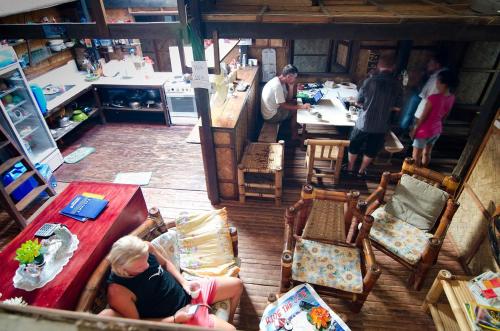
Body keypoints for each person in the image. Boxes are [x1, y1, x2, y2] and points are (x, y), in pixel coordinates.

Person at [99, 235, 243, 330]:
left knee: (237, 285)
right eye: (140, 267)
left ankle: (228, 319)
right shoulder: (118, 291)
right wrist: (174, 319)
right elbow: (139, 324)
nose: (147, 266)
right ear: (123, 268)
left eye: (146, 259)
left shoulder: (145, 248)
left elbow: (166, 264)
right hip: (179, 316)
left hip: (188, 293)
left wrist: (184, 282)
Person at [347, 55, 403, 178]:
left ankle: (350, 169)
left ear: (378, 66)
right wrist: (385, 107)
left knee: (354, 144)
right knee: (372, 149)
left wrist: (370, 105)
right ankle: (361, 171)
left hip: (364, 122)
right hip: (382, 125)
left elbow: (358, 102)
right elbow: (398, 108)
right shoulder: (397, 85)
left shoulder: (370, 81)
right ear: (393, 68)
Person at [410, 70, 458, 167]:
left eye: (438, 80)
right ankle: (422, 172)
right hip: (436, 130)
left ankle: (413, 175)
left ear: (443, 84)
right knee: (427, 153)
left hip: (424, 130)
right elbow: (445, 115)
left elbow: (423, 116)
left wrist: (415, 130)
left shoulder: (433, 98)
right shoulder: (452, 98)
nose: (436, 83)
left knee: (416, 156)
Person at [261, 64, 311, 141]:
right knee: (297, 110)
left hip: (273, 110)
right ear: (288, 77)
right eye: (294, 77)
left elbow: (288, 100)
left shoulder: (280, 81)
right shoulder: (277, 86)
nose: (295, 79)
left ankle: (294, 124)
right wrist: (302, 107)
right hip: (271, 116)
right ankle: (294, 135)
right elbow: (284, 105)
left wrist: (291, 87)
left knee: (295, 103)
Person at [414, 53, 448, 120]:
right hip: (426, 112)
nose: (428, 64)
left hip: (424, 112)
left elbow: (425, 94)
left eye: (430, 62)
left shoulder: (437, 78)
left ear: (437, 65)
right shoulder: (437, 75)